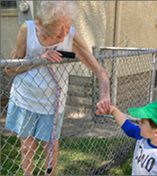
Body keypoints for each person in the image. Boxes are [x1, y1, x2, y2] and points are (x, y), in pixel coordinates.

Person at [5, 1, 110, 176]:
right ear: (41, 25)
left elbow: (100, 71)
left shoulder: (70, 33)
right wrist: (38, 59)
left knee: (51, 148)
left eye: (67, 26)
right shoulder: (28, 30)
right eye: (57, 29)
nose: (64, 34)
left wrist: (105, 94)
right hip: (26, 97)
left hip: (52, 103)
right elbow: (10, 69)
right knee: (27, 147)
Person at [96, 100, 157, 175]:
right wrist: (112, 110)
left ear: (156, 133)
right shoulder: (143, 136)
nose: (139, 123)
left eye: (143, 122)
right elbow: (127, 126)